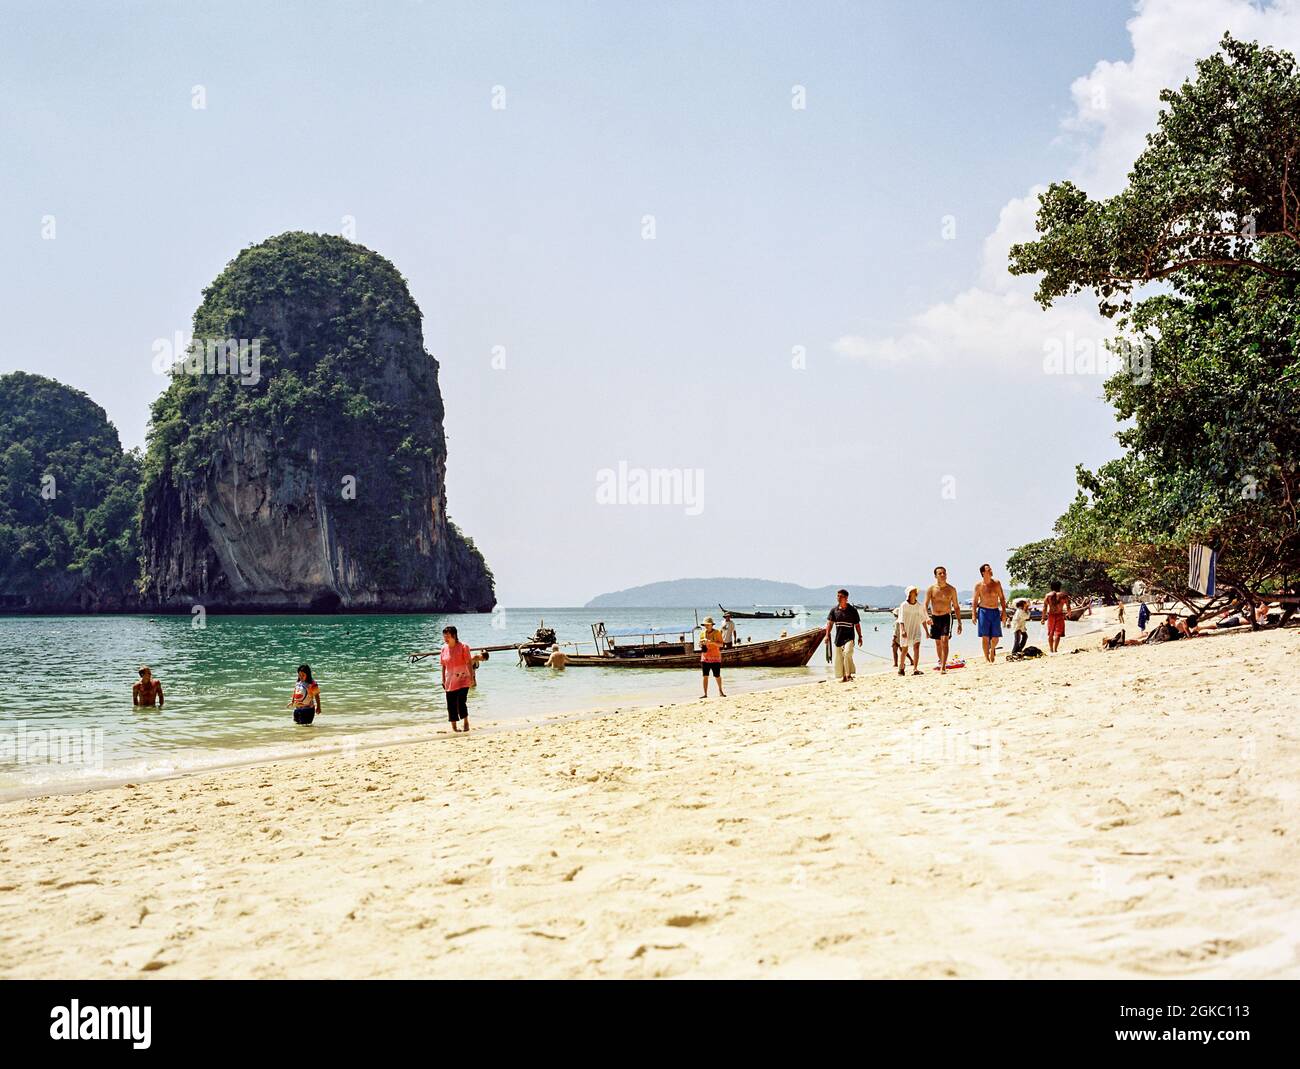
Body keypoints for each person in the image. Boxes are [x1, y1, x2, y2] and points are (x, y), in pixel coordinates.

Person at [440, 626, 484, 732]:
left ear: (454, 636)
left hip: (463, 679)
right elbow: (443, 665)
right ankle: (454, 727)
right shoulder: (444, 649)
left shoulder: (464, 647)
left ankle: (466, 722)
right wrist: (443, 680)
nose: (445, 638)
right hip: (449, 680)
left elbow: (469, 662)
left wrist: (471, 676)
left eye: (447, 636)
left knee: (461, 702)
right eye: (444, 636)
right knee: (451, 704)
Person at [924, 565, 963, 673]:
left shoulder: (951, 589)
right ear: (935, 576)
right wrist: (927, 617)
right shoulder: (931, 589)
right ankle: (941, 661)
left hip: (946, 617)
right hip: (935, 617)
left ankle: (943, 666)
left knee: (945, 640)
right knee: (938, 643)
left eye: (944, 573)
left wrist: (959, 622)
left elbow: (956, 607)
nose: (942, 575)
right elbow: (925, 605)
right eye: (940, 573)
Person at [971, 564, 1007, 663]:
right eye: (988, 570)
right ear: (983, 573)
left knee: (996, 637)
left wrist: (1004, 612)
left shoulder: (997, 583)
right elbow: (975, 601)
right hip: (983, 611)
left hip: (995, 611)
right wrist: (974, 614)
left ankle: (992, 650)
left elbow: (1002, 598)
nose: (991, 570)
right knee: (985, 636)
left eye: (991, 569)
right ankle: (986, 658)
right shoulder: (979, 586)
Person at [825, 589, 863, 682]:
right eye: (837, 596)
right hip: (839, 638)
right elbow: (830, 624)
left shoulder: (852, 610)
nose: (838, 598)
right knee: (839, 658)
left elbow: (857, 625)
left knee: (847, 653)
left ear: (846, 598)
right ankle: (844, 676)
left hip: (849, 637)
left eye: (840, 596)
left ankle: (848, 675)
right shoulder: (834, 610)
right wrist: (827, 635)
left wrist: (860, 636)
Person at [895, 587, 927, 676]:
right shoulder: (903, 605)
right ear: (909, 593)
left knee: (916, 647)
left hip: (916, 629)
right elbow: (900, 619)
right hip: (906, 629)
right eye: (913, 591)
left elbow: (923, 619)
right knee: (904, 650)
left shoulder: (919, 606)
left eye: (916, 592)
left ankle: (915, 669)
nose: (915, 593)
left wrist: (927, 632)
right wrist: (903, 630)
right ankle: (901, 668)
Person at [699, 616, 727, 697]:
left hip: (715, 657)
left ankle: (720, 691)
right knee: (705, 676)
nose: (706, 626)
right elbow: (700, 644)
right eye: (705, 625)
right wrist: (701, 644)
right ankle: (705, 694)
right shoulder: (702, 633)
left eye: (708, 625)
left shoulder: (717, 632)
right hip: (705, 657)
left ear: (712, 625)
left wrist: (711, 642)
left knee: (717, 675)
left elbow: (721, 644)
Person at [1042, 580, 1069, 654]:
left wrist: (1043, 618)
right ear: (1059, 587)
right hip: (1060, 615)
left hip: (1051, 615)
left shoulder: (1048, 595)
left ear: (1051, 587)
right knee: (1058, 633)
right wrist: (1069, 613)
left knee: (1051, 633)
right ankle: (1055, 649)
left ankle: (1051, 649)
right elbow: (1068, 606)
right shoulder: (1064, 595)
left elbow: (1044, 607)